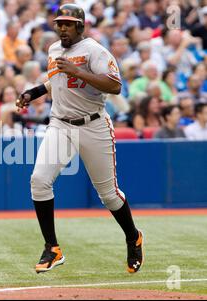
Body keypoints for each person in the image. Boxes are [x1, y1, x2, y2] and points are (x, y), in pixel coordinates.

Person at [16, 4, 144, 274]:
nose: (62, 27)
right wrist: (35, 91)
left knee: (108, 195)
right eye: (59, 22)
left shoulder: (94, 50)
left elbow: (115, 85)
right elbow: (58, 80)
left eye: (68, 23)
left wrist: (77, 71)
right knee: (39, 181)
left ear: (80, 26)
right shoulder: (53, 50)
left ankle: (133, 237)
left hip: (93, 124)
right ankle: (52, 247)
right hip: (60, 124)